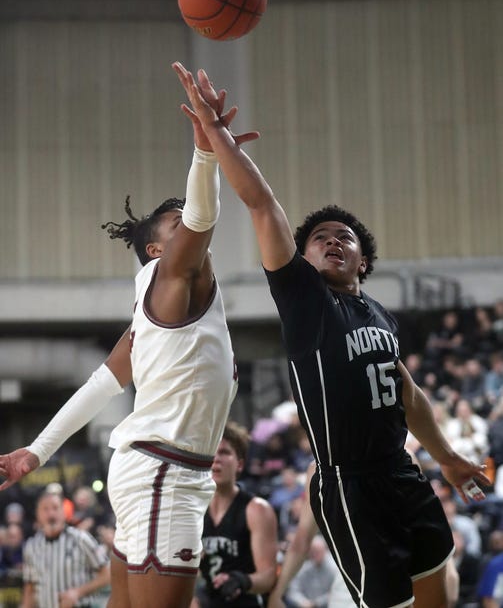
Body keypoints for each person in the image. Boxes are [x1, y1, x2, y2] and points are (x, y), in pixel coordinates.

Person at [172, 62, 492, 608]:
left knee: (439, 588)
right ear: (304, 256)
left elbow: (407, 393)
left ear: (364, 259)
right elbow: (261, 204)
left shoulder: (380, 317)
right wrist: (217, 139)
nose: (332, 243)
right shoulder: (305, 300)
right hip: (348, 485)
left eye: (344, 238)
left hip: (403, 472)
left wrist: (447, 457)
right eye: (319, 239)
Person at [0, 88, 258, 608]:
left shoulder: (152, 316)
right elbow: (202, 218)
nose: (188, 221)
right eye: (175, 221)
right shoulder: (168, 282)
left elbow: (101, 383)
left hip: (154, 469)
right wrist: (206, 149)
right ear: (159, 251)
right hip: (165, 471)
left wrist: (37, 451)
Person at [192, 421, 278, 607]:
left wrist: (242, 580)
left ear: (239, 464)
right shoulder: (194, 511)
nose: (216, 459)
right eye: (211, 452)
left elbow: (268, 576)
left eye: (224, 452)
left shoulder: (257, 510)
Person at [268, 462, 353, 608]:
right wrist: (277, 594)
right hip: (349, 583)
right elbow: (302, 539)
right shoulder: (318, 467)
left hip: (392, 579)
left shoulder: (399, 449)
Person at [21, 489, 110, 608]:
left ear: (64, 511)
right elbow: (30, 589)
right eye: (45, 509)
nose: (51, 514)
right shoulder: (31, 546)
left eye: (55, 508)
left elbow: (107, 575)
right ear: (38, 514)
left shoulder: (81, 539)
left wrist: (78, 592)